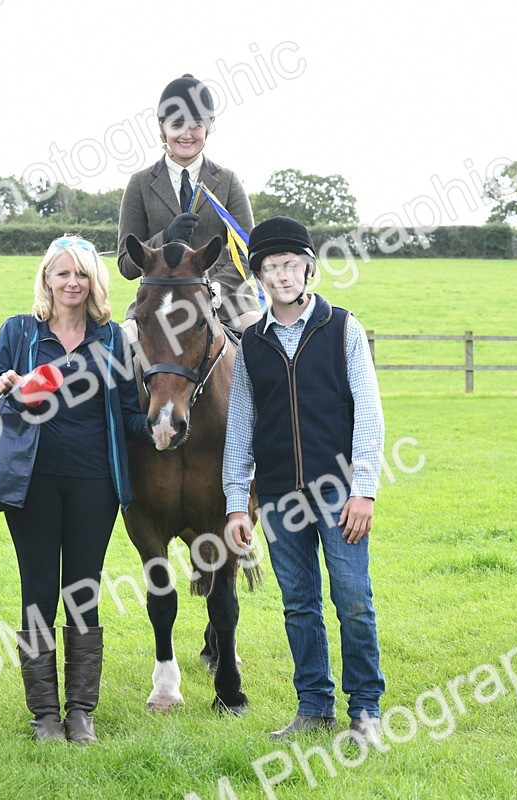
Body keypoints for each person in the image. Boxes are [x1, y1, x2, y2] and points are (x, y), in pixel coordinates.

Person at [0, 236, 147, 744]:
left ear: (95, 282)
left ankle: (81, 713)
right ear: (46, 278)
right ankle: (45, 714)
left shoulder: (113, 340)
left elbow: (129, 414)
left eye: (81, 274)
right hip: (31, 483)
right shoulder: (20, 333)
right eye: (62, 273)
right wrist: (0, 385)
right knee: (39, 592)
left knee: (82, 593)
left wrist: (154, 428)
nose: (72, 282)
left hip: (95, 484)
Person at [221, 217, 387, 746]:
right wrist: (235, 503)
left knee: (353, 599)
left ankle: (365, 709)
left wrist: (364, 489)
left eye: (291, 264)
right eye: (269, 267)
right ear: (259, 278)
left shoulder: (343, 328)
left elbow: (370, 412)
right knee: (299, 604)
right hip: (277, 497)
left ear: (310, 269)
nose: (281, 275)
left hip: (340, 492)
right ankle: (314, 705)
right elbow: (241, 425)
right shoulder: (251, 343)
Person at [117, 73, 262, 334]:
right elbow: (126, 264)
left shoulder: (228, 181)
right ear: (162, 126)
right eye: (177, 124)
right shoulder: (139, 183)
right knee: (124, 343)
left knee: (260, 338)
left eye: (196, 125)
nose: (186, 134)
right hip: (157, 298)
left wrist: (213, 288)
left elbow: (247, 252)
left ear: (209, 127)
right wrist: (165, 237)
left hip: (227, 300)